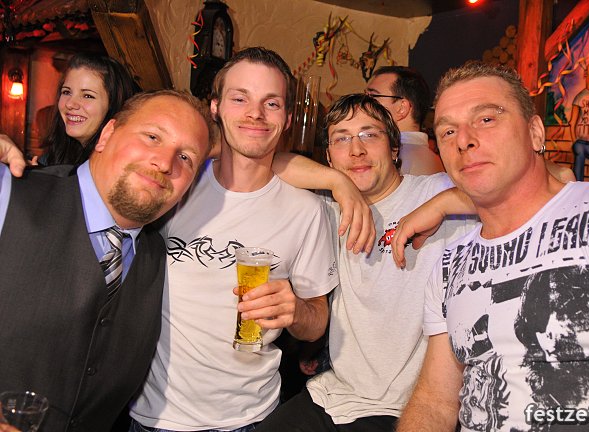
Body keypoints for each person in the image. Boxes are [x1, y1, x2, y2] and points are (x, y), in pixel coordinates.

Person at [392, 61, 589, 431]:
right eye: (447, 131)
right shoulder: (450, 265)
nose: (463, 140)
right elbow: (434, 402)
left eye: (486, 119)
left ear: (535, 132)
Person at [128, 47, 340, 432]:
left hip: (250, 418)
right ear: (215, 107)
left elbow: (316, 322)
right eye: (240, 98)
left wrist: (295, 311)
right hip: (151, 415)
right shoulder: (176, 185)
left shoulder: (307, 211)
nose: (255, 113)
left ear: (287, 118)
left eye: (271, 103)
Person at [256, 93, 472, 432]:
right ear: (328, 157)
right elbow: (266, 162)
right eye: (342, 139)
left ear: (395, 148)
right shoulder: (326, 208)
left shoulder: (433, 191)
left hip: (414, 406)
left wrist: (443, 205)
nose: (356, 150)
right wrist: (337, 182)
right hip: (336, 395)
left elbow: (520, 184)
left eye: (369, 134)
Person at [0, 89, 213, 432]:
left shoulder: (159, 257)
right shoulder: (10, 194)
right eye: (152, 137)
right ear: (107, 134)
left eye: (186, 157)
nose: (165, 163)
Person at [0, 53, 138, 166]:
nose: (70, 104)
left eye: (88, 95)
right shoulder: (56, 155)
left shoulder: (119, 167)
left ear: (113, 105)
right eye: (66, 92)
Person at [365, 66, 444, 175]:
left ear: (402, 108)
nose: (362, 104)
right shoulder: (427, 157)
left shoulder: (396, 158)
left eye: (372, 97)